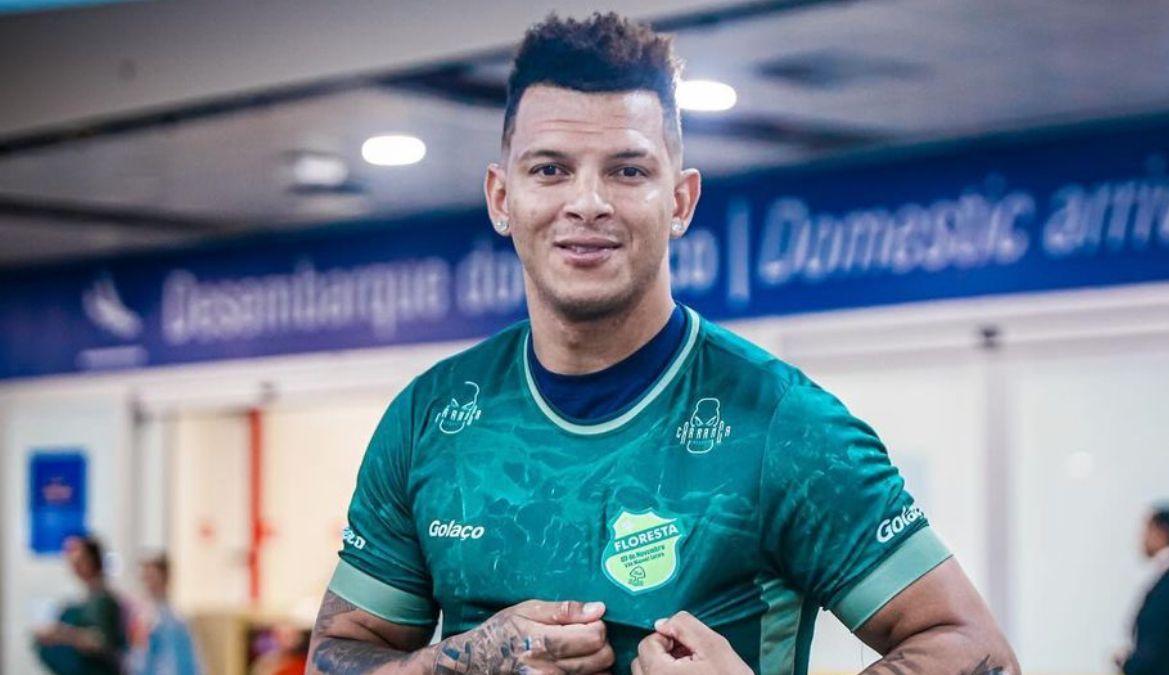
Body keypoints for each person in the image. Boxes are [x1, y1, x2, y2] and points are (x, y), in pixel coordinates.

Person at [306, 12, 1019, 675]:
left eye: (628, 170)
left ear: (680, 200)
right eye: (550, 169)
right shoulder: (430, 417)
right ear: (502, 197)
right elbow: (337, 653)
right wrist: (468, 660)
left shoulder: (785, 424)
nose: (588, 202)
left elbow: (975, 651)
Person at [1115, 506, 1169, 675]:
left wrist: (1128, 664)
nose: (1142, 538)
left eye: (1147, 530)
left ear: (1163, 532)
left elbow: (1156, 649)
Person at [34, 535, 128, 675]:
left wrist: (63, 634)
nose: (74, 566)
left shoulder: (102, 600)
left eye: (78, 560)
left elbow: (101, 641)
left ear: (91, 560)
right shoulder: (86, 599)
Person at [132, 554, 202, 675]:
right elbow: (138, 658)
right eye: (146, 578)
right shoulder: (142, 616)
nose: (149, 583)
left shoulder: (177, 619)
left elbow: (188, 661)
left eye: (153, 577)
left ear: (165, 578)